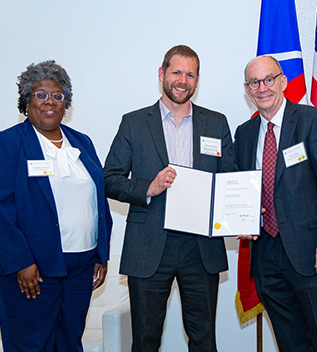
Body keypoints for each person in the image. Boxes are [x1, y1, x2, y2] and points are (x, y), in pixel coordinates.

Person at [104, 45, 236, 352]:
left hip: (200, 248)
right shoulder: (134, 123)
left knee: (204, 340)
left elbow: (229, 180)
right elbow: (109, 179)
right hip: (149, 246)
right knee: (146, 341)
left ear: (197, 80)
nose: (183, 80)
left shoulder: (216, 123)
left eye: (190, 74)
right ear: (162, 74)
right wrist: (147, 187)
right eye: (177, 72)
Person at [0, 60, 112, 351]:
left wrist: (101, 252)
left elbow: (97, 200)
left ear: (67, 103)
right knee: (31, 345)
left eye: (58, 95)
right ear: (26, 102)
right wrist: (21, 262)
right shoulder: (8, 143)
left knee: (69, 343)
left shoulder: (82, 143)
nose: (49, 102)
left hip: (80, 267)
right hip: (32, 270)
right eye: (40, 95)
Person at [234, 55, 317, 351]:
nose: (262, 88)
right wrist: (240, 218)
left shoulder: (312, 120)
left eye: (268, 79)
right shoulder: (244, 134)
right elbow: (240, 187)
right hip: (265, 255)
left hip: (311, 251)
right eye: (254, 82)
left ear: (283, 81)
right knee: (289, 342)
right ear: (247, 89)